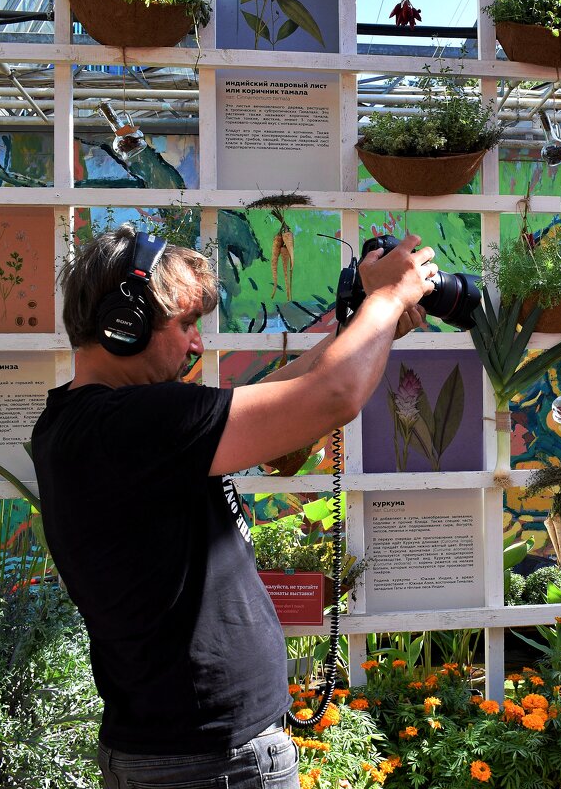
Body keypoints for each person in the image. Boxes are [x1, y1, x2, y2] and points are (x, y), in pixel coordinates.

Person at [31, 224, 434, 789]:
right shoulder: (130, 425)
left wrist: (362, 323)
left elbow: (287, 392)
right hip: (211, 765)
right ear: (124, 324)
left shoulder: (91, 423)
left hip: (191, 756)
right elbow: (330, 397)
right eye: (186, 325)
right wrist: (391, 298)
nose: (197, 345)